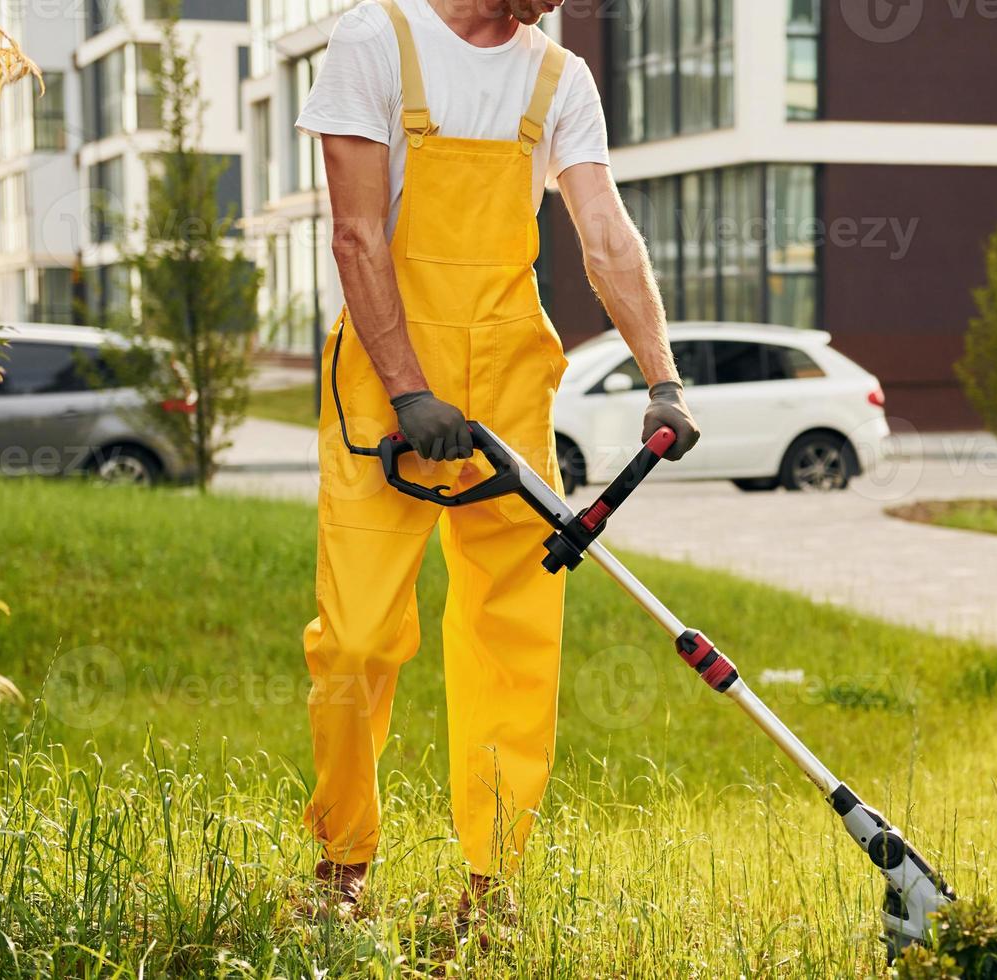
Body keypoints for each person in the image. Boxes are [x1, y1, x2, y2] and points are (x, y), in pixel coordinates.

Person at [293, 0, 700, 930]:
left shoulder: (559, 76)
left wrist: (663, 377)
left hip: (508, 394)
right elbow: (355, 236)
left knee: (513, 637)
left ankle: (492, 882)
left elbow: (605, 232)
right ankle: (342, 864)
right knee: (356, 641)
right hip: (387, 398)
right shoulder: (375, 42)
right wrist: (407, 391)